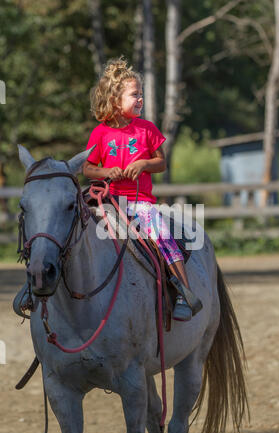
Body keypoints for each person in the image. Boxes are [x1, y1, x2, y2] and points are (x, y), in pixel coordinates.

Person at [83, 57, 201, 321]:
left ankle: (184, 291)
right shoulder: (100, 133)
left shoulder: (147, 129)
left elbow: (161, 163)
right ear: (115, 100)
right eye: (134, 94)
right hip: (107, 201)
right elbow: (88, 169)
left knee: (161, 234)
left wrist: (145, 163)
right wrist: (106, 172)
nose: (140, 99)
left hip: (139, 203)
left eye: (141, 94)